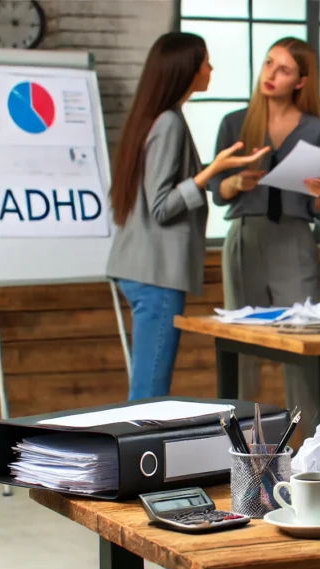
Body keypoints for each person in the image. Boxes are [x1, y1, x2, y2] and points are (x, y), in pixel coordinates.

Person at [106, 31, 269, 401]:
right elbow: (161, 206)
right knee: (150, 389)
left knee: (147, 382)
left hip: (143, 269)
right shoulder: (169, 123)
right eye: (205, 62)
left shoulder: (158, 117)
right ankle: (136, 458)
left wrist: (213, 171)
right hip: (156, 272)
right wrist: (212, 172)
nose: (210, 68)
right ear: (188, 70)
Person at [208, 37, 320, 433]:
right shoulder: (234, 122)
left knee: (303, 345)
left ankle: (311, 447)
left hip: (296, 239)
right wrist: (236, 182)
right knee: (242, 345)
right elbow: (217, 193)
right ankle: (239, 446)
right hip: (246, 237)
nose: (270, 74)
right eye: (268, 64)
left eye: (283, 69)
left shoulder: (317, 129)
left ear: (300, 80)